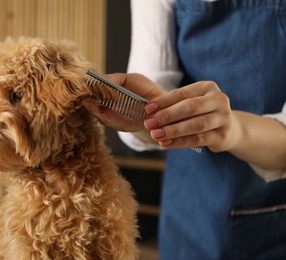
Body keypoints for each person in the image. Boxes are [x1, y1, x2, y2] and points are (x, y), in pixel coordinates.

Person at [83, 0, 286, 259]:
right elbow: (148, 117)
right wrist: (148, 116)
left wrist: (230, 129)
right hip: (190, 209)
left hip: (274, 218)